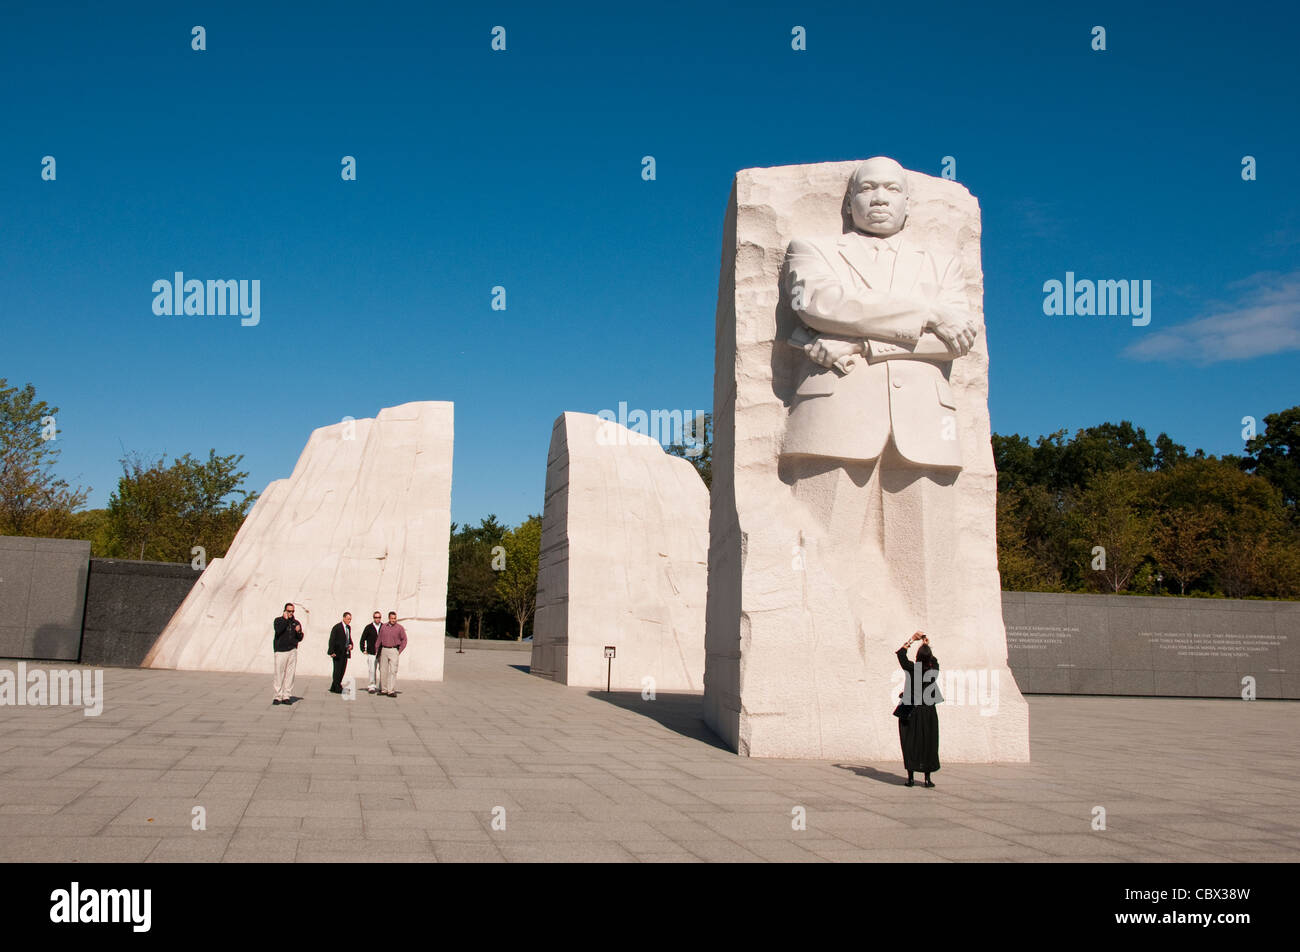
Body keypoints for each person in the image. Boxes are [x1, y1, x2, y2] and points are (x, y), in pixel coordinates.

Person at [896, 630, 942, 787]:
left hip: (911, 710)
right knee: (928, 742)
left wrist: (912, 640)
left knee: (910, 742)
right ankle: (927, 779)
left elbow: (901, 655)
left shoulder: (912, 668)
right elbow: (933, 660)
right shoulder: (933, 670)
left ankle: (910, 778)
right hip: (928, 711)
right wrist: (926, 646)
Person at [272, 602, 304, 704]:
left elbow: (300, 638)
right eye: (289, 611)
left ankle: (286, 696)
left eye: (293, 611)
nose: (291, 613)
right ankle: (278, 696)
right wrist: (285, 620)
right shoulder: (278, 621)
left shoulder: (296, 622)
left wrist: (299, 632)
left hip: (292, 651)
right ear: (285, 611)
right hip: (281, 651)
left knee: (290, 674)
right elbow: (278, 630)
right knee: (279, 674)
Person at [376, 611, 407, 697]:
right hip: (384, 650)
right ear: (389, 618)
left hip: (394, 650)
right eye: (392, 618)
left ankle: (391, 691)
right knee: (383, 670)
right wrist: (377, 649)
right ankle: (384, 689)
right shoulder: (383, 627)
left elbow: (404, 640)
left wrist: (399, 651)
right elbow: (379, 638)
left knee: (393, 671)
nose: (393, 620)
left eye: (395, 618)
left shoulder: (400, 628)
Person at [328, 612, 353, 694]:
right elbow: (332, 640)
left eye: (350, 619)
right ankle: (337, 686)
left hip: (345, 652)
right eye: (348, 619)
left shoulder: (348, 628)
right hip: (337, 652)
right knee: (337, 670)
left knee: (342, 670)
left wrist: (351, 645)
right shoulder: (337, 627)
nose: (349, 621)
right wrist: (331, 651)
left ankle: (334, 686)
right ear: (344, 618)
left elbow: (349, 638)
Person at [359, 611, 382, 693]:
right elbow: (362, 639)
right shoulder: (368, 627)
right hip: (371, 652)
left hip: (381, 652)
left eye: (379, 617)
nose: (377, 619)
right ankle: (372, 686)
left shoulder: (383, 627)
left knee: (382, 670)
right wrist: (363, 649)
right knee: (372, 670)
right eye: (376, 617)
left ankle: (382, 686)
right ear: (373, 618)